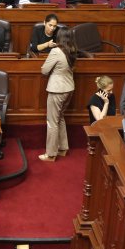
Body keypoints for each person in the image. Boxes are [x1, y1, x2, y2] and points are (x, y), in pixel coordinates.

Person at [39, 28, 78, 162]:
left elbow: (44, 70)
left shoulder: (56, 51)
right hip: (69, 88)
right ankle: (62, 148)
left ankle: (50, 154)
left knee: (52, 122)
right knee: (60, 117)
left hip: (57, 90)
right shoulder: (72, 50)